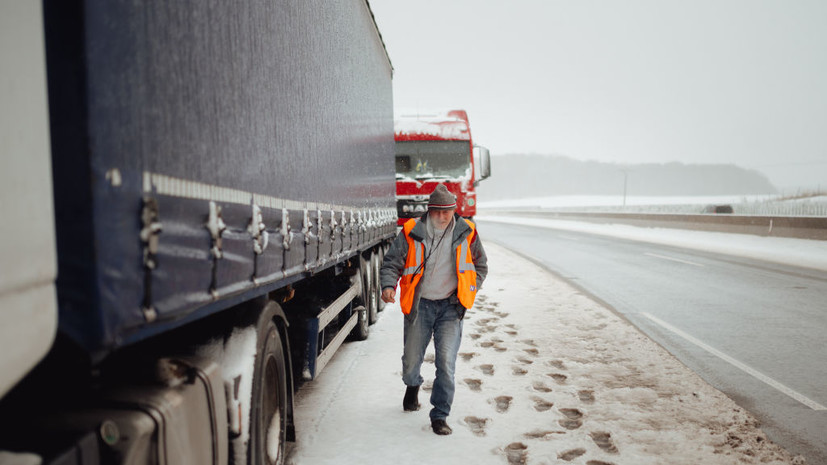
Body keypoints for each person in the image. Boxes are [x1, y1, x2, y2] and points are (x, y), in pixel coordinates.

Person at [380, 184, 488, 435]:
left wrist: (470, 289)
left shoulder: (467, 232)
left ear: (454, 211)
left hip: (451, 307)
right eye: (437, 211)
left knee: (446, 363)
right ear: (429, 211)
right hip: (420, 306)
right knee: (410, 362)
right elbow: (391, 262)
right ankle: (412, 385)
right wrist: (388, 285)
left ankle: (439, 415)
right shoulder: (411, 231)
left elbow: (480, 265)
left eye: (447, 211)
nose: (442, 216)